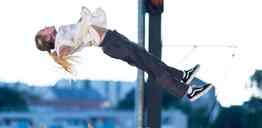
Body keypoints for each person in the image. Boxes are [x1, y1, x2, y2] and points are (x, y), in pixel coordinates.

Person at [35, 6, 213, 102]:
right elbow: (66, 49)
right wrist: (84, 25)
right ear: (47, 37)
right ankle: (187, 91)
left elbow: (78, 36)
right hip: (111, 44)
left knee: (149, 60)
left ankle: (182, 76)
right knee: (151, 66)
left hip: (112, 38)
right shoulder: (59, 44)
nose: (45, 27)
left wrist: (83, 22)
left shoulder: (62, 34)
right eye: (43, 30)